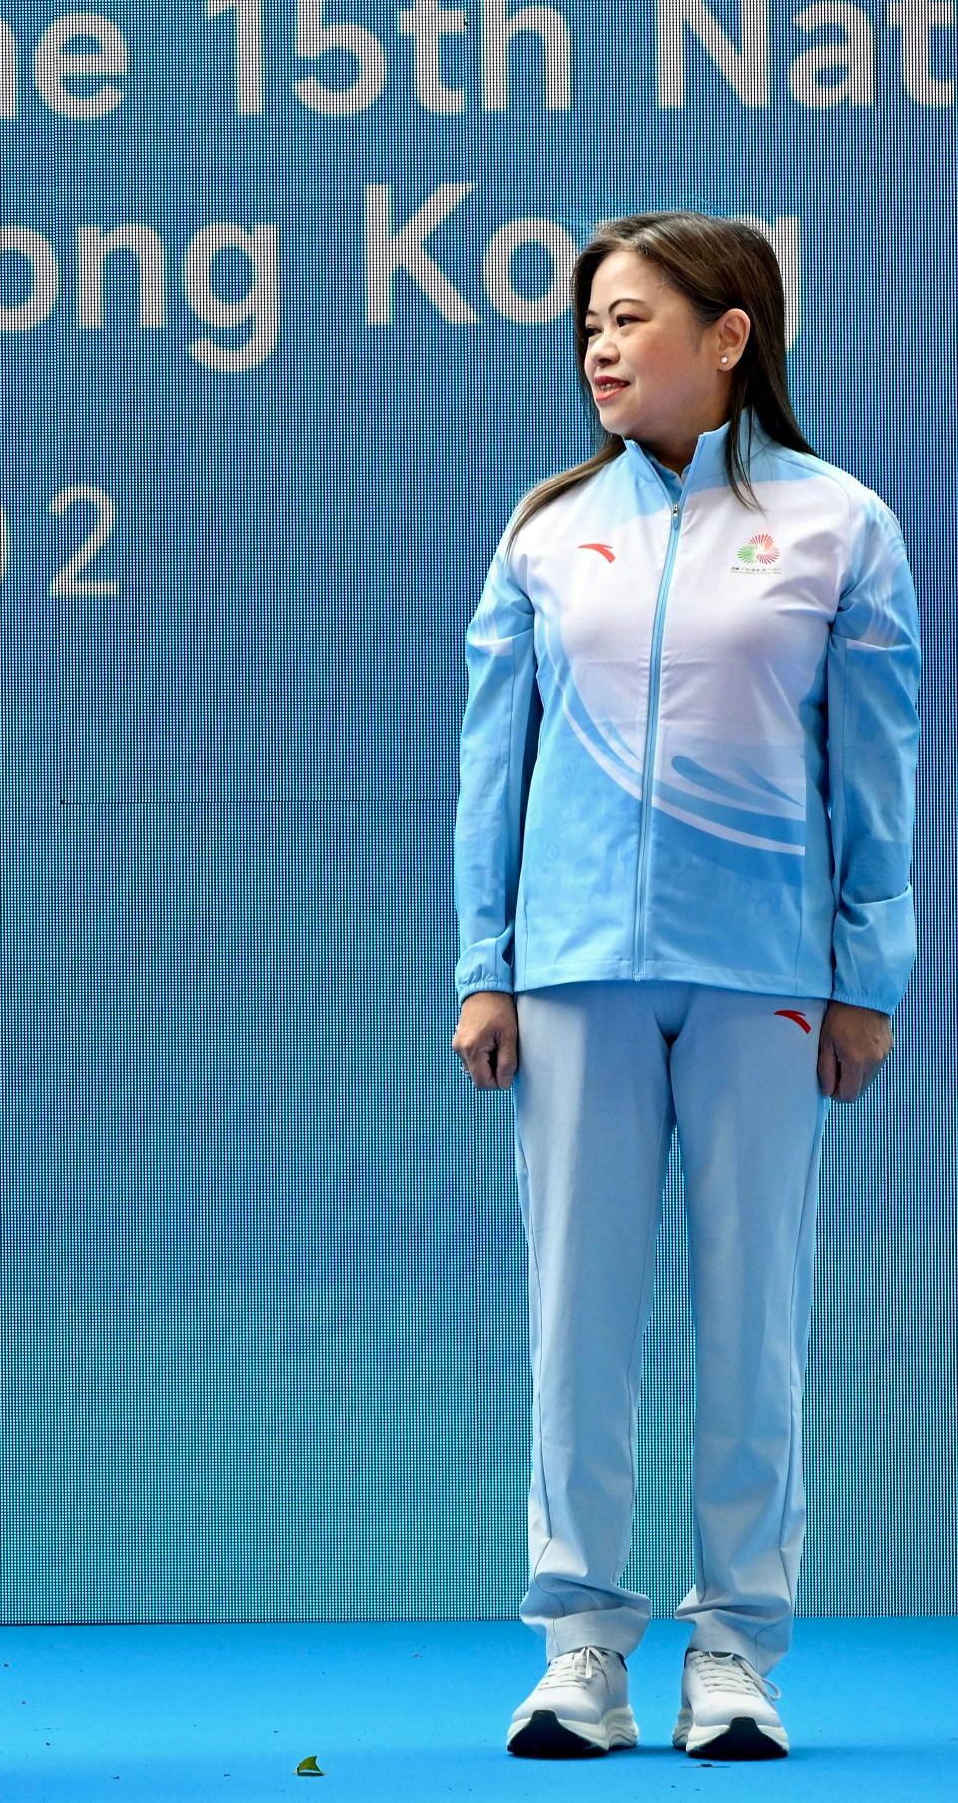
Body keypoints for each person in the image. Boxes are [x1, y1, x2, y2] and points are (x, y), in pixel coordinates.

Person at [451, 211, 918, 1762]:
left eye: (631, 317)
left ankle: (735, 1654)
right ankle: (579, 1650)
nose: (599, 345)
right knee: (575, 1319)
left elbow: (878, 770)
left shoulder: (841, 526)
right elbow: (493, 770)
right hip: (575, 974)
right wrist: (486, 966)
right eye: (589, 322)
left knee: (753, 1316)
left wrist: (867, 975)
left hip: (766, 976)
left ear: (729, 337)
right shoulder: (545, 531)